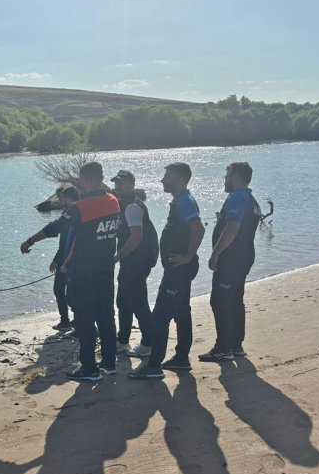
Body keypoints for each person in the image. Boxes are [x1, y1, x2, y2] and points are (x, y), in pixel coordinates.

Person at [21, 161, 121, 381]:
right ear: (102, 177)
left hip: (84, 272)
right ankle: (109, 363)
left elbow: (54, 228)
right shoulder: (114, 202)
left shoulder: (80, 208)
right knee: (106, 316)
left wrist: (30, 241)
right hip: (106, 270)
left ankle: (89, 368)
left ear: (84, 180)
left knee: (84, 319)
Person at [129, 163, 205, 379]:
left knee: (160, 317)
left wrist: (189, 255)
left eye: (167, 177)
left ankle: (154, 366)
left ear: (180, 180)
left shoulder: (185, 202)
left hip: (179, 270)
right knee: (182, 312)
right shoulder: (181, 201)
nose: (163, 180)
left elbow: (198, 228)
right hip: (179, 268)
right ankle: (181, 358)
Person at [199, 162, 261, 362]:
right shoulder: (250, 199)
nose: (224, 180)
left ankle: (224, 348)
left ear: (236, 178)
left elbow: (233, 227)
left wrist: (215, 253)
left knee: (220, 300)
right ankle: (235, 345)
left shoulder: (237, 197)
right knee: (234, 299)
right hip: (244, 255)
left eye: (227, 176)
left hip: (232, 258)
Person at [111, 170, 159, 358]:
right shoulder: (124, 204)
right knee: (123, 301)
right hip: (130, 260)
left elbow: (136, 236)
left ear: (132, 183)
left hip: (137, 261)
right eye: (116, 183)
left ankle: (149, 343)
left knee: (138, 302)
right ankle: (122, 341)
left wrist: (117, 257)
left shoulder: (132, 206)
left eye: (122, 183)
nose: (118, 187)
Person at [50, 185, 80, 331]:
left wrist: (56, 260)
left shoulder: (69, 215)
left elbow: (64, 244)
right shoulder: (77, 212)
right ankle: (74, 319)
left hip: (67, 259)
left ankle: (66, 320)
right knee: (70, 291)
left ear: (67, 198)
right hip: (72, 258)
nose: (60, 201)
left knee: (61, 290)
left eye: (61, 198)